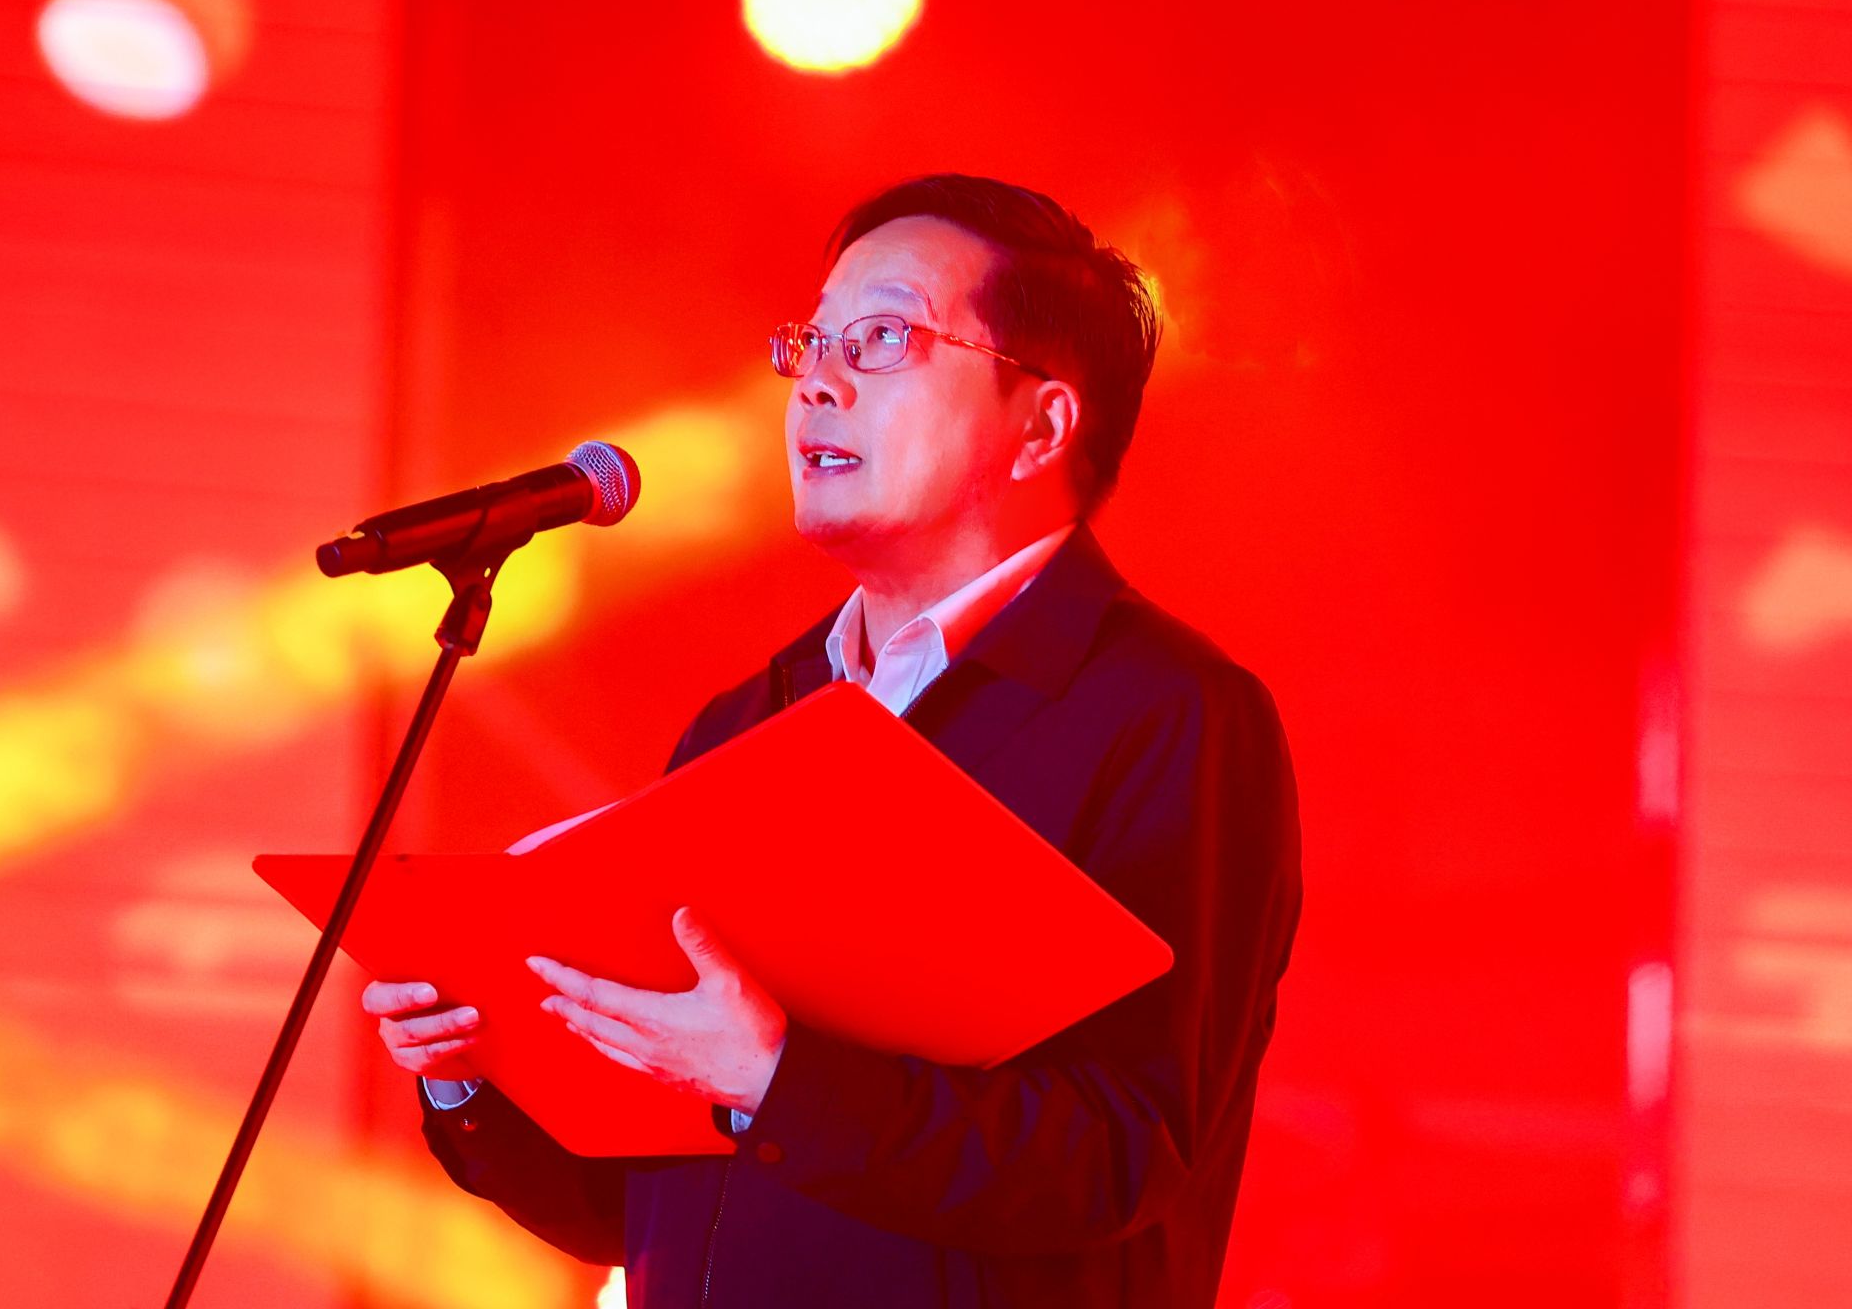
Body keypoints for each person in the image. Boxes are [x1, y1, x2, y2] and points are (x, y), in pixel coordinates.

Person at [360, 174, 1303, 1307]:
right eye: (811, 342)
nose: (816, 381)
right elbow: (641, 1205)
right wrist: (473, 1075)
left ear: (1041, 424)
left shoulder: (1165, 715)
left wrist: (775, 1077)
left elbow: (1121, 1152)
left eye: (883, 339)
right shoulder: (749, 721)